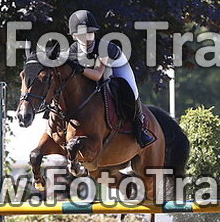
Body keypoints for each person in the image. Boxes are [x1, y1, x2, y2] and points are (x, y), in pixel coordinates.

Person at [67, 9, 156, 147]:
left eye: (90, 33)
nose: (87, 38)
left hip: (116, 65)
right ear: (74, 36)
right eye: (81, 34)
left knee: (131, 91)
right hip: (93, 69)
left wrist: (81, 69)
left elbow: (97, 75)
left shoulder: (103, 47)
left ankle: (140, 128)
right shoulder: (73, 50)